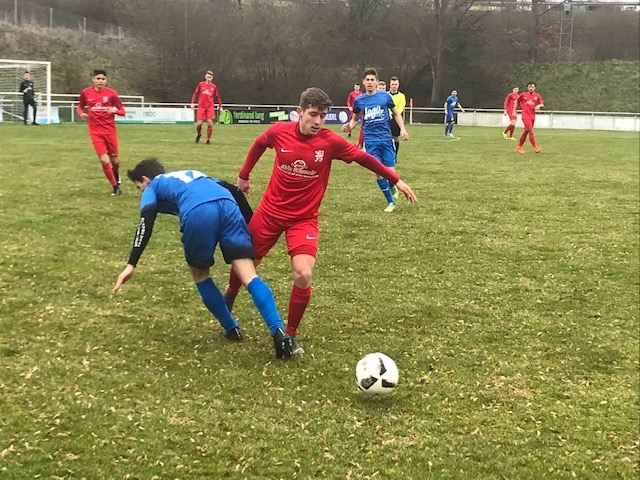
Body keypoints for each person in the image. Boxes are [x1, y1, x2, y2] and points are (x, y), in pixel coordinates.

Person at [223, 87, 417, 355]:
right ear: (299, 112)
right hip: (270, 213)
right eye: (313, 114)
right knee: (246, 266)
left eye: (323, 116)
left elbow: (363, 158)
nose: (317, 121)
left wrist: (397, 179)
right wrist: (243, 176)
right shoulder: (280, 132)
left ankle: (289, 335)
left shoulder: (330, 142)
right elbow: (259, 143)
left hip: (303, 219)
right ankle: (229, 297)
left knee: (303, 273)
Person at [112, 158, 294, 359]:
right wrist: (250, 224)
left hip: (198, 211)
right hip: (228, 204)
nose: (141, 192)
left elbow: (145, 223)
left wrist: (131, 263)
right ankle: (279, 331)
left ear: (145, 179)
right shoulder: (192, 174)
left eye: (139, 187)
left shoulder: (153, 187)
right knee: (248, 274)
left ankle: (231, 328)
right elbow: (233, 190)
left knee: (200, 274)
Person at [342, 67, 409, 213]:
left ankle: (392, 185)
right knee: (378, 172)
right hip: (371, 141)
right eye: (367, 80)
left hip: (386, 140)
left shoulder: (385, 97)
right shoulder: (359, 100)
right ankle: (390, 202)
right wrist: (349, 126)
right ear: (363, 82)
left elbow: (396, 114)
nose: (370, 82)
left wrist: (403, 129)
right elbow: (355, 119)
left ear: (377, 82)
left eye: (372, 80)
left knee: (390, 173)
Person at [77, 69, 125, 196]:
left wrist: (114, 110)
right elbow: (80, 107)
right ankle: (115, 187)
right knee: (104, 159)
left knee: (115, 161)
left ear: (106, 80)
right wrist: (81, 113)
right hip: (95, 132)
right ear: (93, 79)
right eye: (98, 78)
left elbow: (122, 111)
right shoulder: (86, 92)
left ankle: (116, 174)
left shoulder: (111, 94)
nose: (100, 81)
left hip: (110, 131)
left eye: (103, 79)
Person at [190, 70, 223, 144]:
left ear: (212, 78)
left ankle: (208, 139)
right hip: (201, 106)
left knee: (209, 122)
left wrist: (220, 106)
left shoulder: (214, 86)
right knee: (199, 124)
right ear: (205, 77)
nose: (208, 79)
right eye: (207, 77)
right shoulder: (201, 84)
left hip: (210, 107)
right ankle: (199, 134)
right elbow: (195, 94)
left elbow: (217, 97)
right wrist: (192, 103)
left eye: (210, 77)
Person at [514, 82, 544, 154]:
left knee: (526, 131)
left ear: (534, 88)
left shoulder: (537, 96)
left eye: (532, 87)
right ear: (527, 88)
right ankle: (535, 147)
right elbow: (516, 102)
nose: (531, 88)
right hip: (525, 115)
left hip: (532, 116)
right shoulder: (523, 95)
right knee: (530, 131)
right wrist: (514, 111)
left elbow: (542, 104)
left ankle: (519, 147)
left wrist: (539, 106)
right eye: (530, 87)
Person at [388, 76, 407, 160]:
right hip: (386, 118)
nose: (394, 86)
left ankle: (395, 155)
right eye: (392, 84)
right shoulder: (386, 95)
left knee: (395, 137)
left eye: (395, 84)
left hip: (396, 119)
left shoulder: (401, 96)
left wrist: (394, 114)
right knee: (387, 137)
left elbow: (401, 107)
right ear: (390, 84)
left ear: (398, 85)